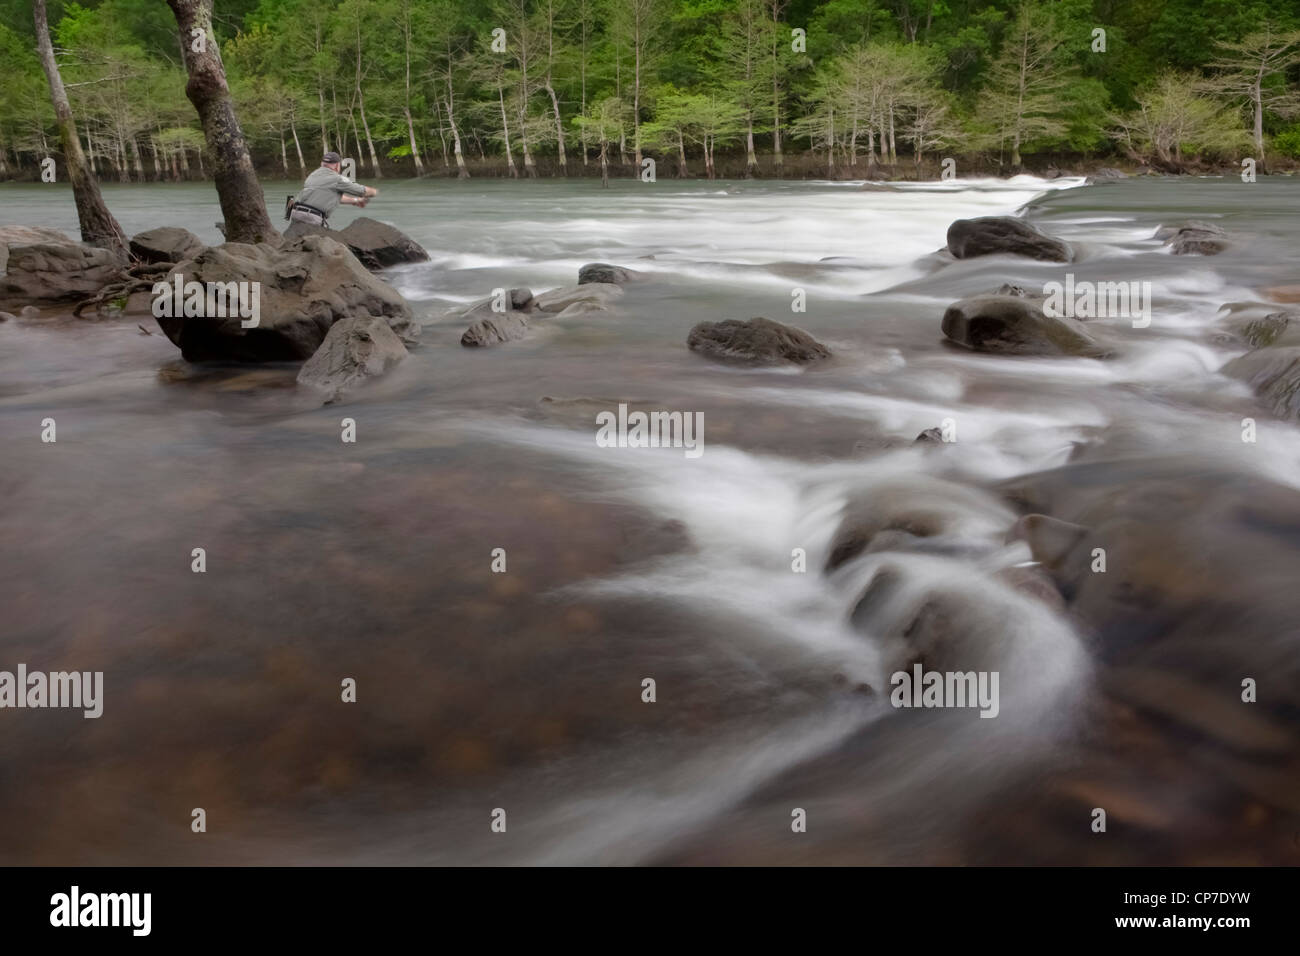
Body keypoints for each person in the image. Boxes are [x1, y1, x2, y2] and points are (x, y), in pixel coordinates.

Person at [287, 151, 378, 228]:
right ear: (337, 165)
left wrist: (355, 201)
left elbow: (333, 196)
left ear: (322, 164)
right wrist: (375, 192)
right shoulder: (337, 178)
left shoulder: (312, 175)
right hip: (311, 217)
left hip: (294, 212)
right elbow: (362, 191)